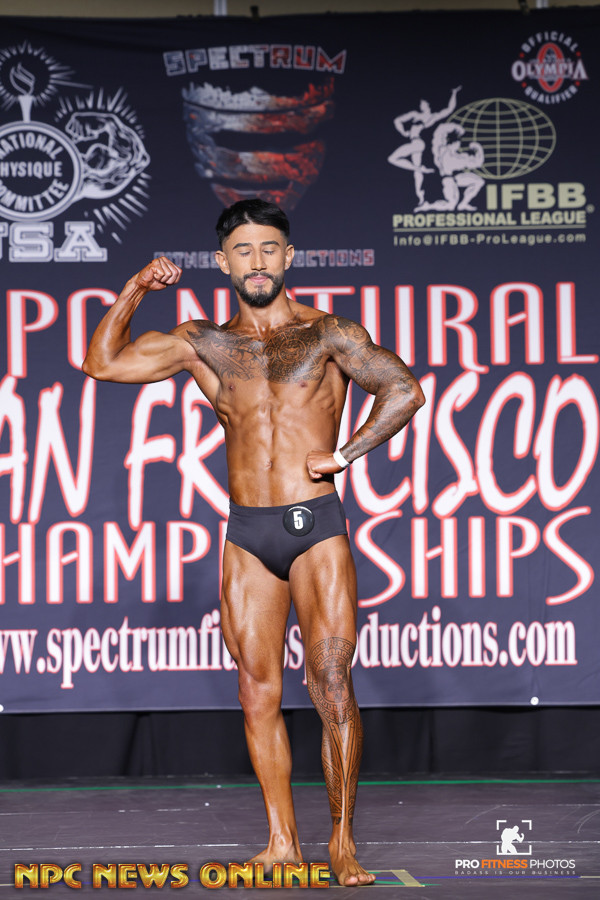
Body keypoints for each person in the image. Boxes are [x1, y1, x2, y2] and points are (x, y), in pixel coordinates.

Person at [83, 199, 425, 886]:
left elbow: (403, 390)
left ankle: (342, 842)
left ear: (288, 257)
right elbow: (102, 363)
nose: (258, 261)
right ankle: (281, 842)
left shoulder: (328, 333)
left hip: (315, 525)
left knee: (331, 683)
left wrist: (347, 453)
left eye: (269, 248)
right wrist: (136, 288)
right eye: (244, 250)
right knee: (256, 691)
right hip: (248, 532)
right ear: (224, 262)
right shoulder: (205, 343)